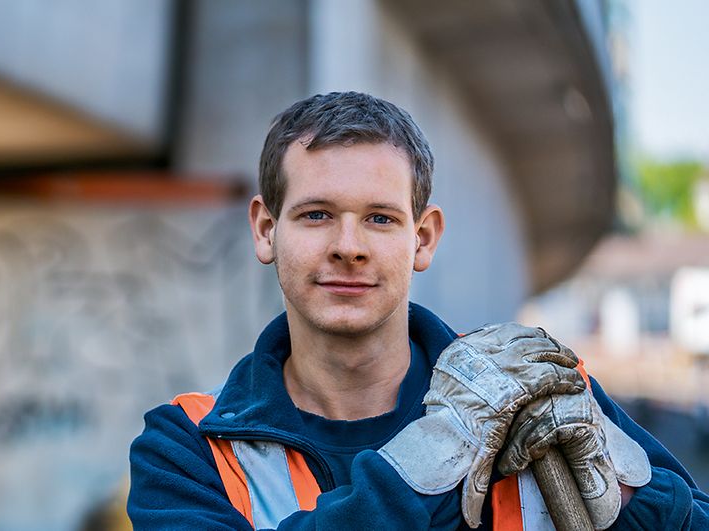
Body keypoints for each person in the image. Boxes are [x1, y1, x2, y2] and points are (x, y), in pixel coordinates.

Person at [127, 92, 708, 529]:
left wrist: (627, 493)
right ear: (265, 230)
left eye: (380, 218)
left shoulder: (537, 391)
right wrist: (438, 450)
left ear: (423, 239)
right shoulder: (187, 448)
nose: (348, 246)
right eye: (316, 215)